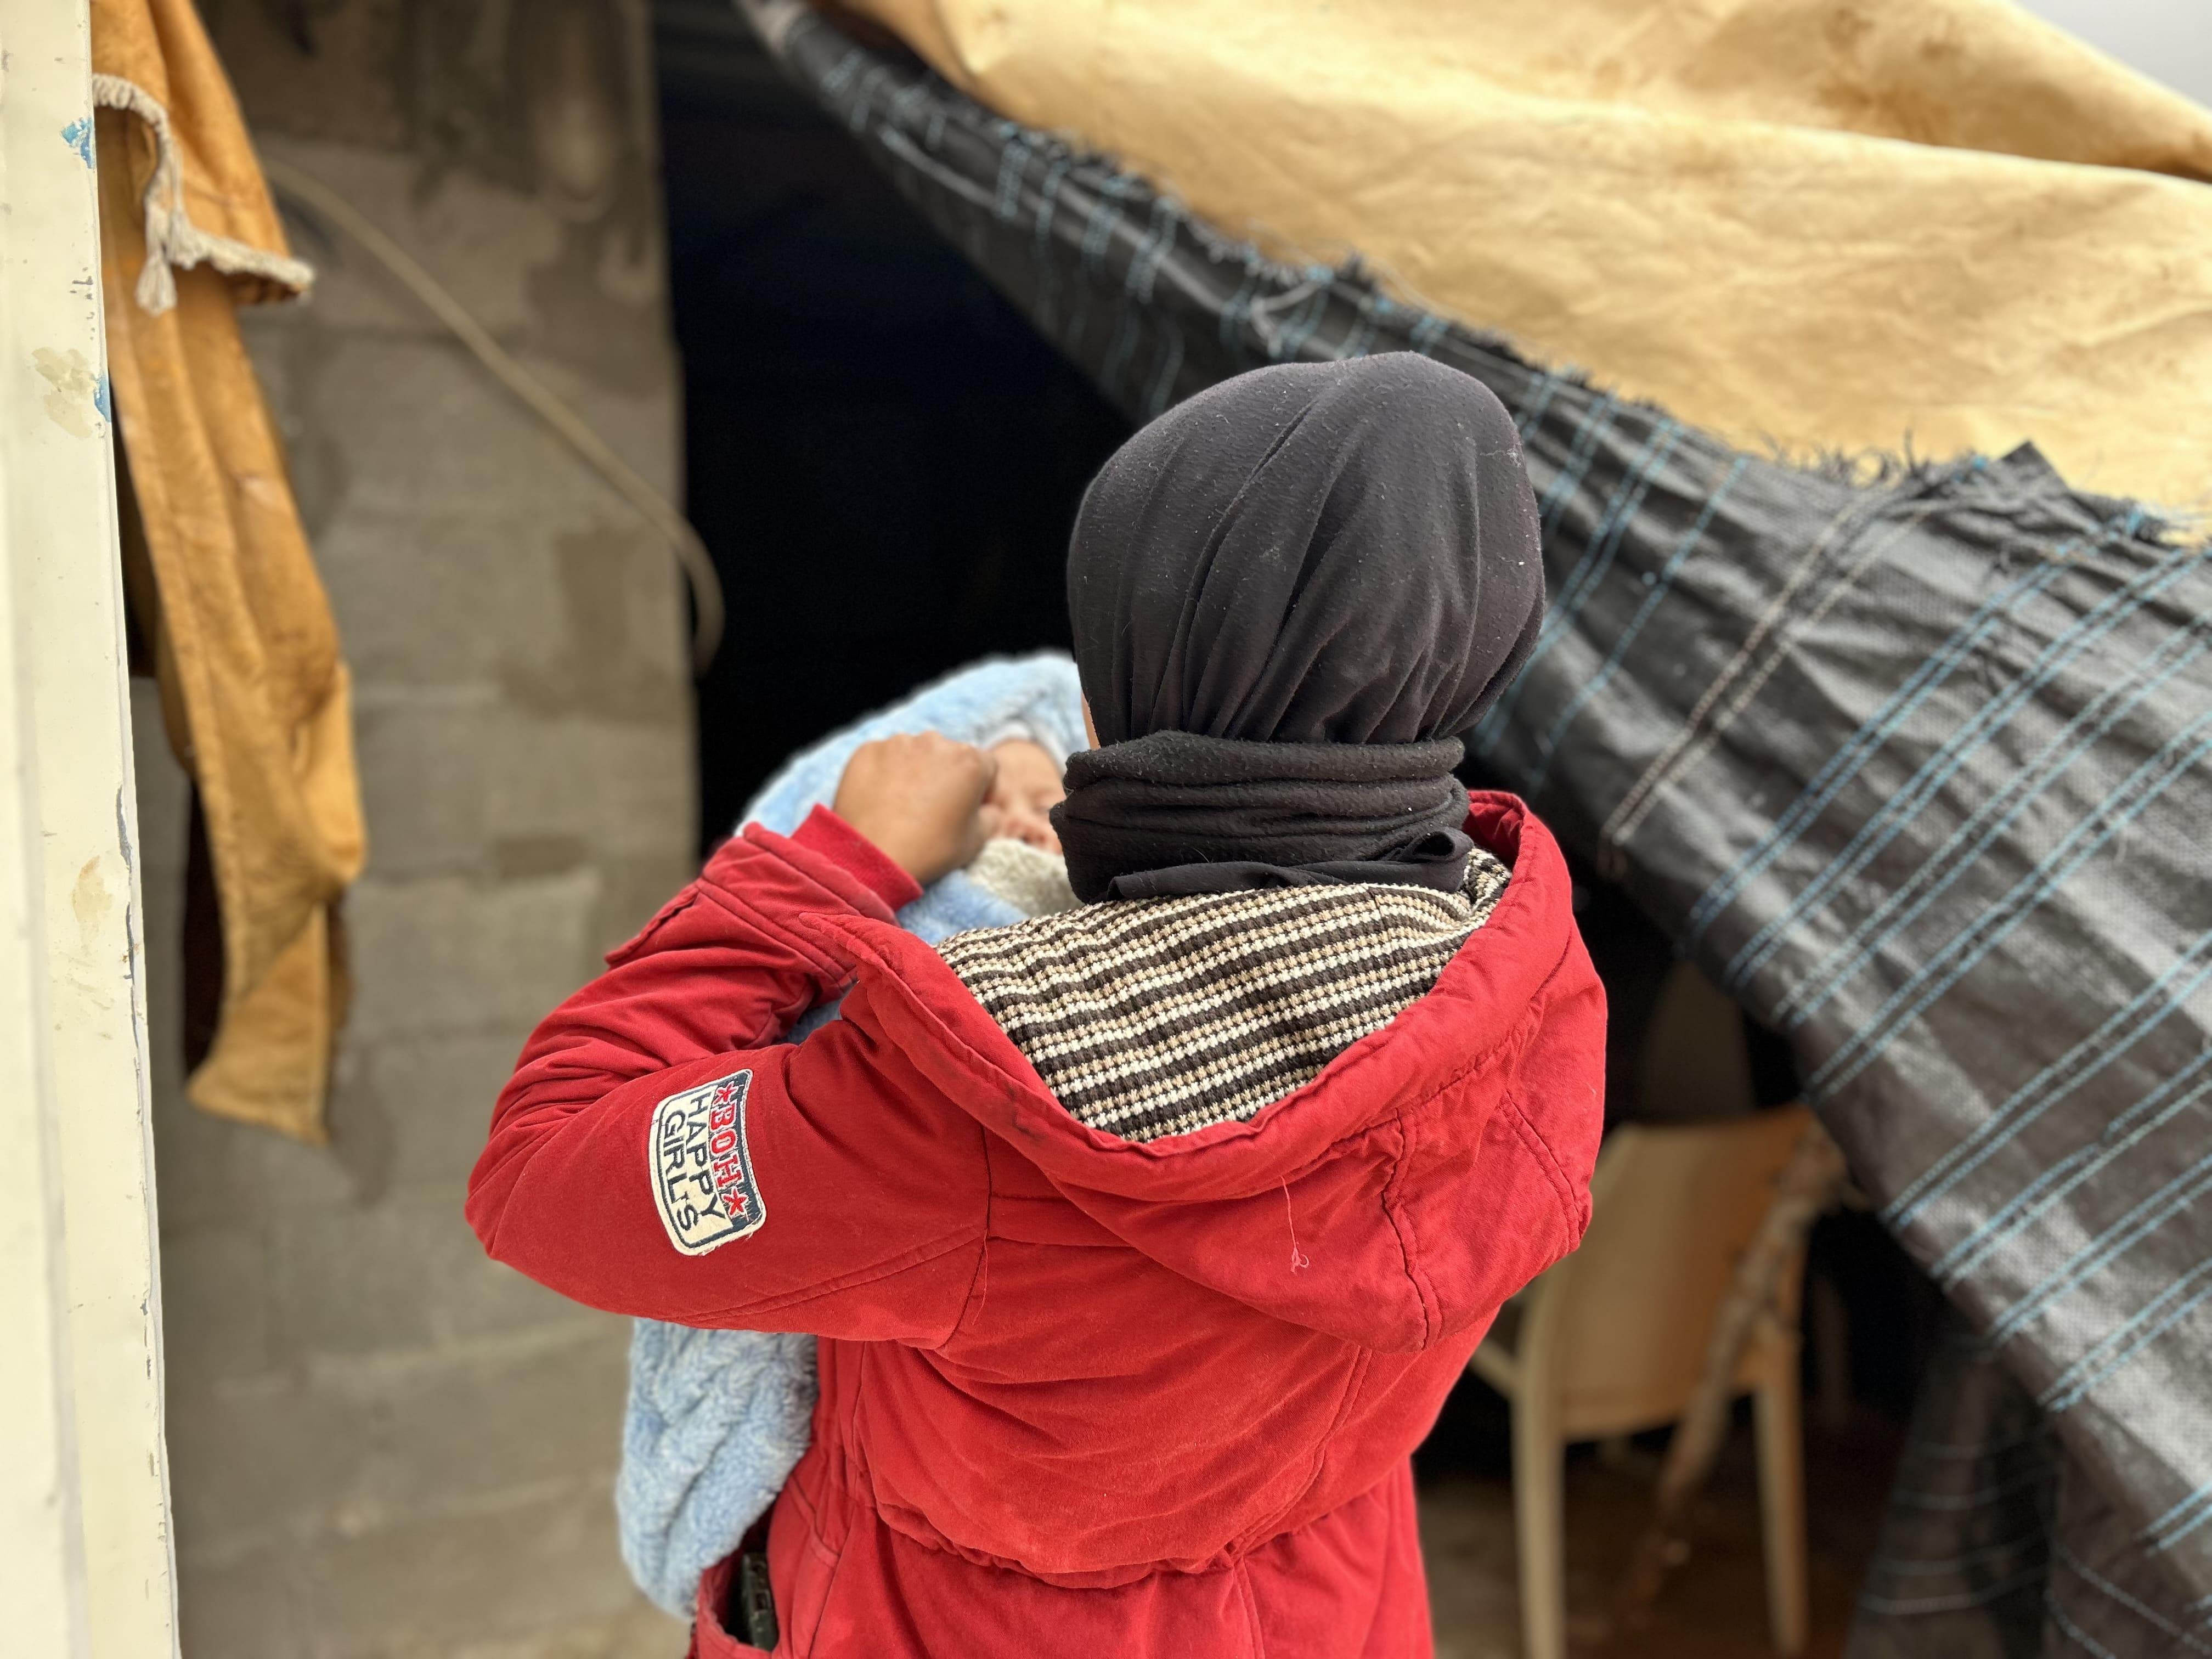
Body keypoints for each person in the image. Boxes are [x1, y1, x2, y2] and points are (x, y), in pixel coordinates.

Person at [467, 353, 1605, 1658]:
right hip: (1333, 1612)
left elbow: (542, 1172)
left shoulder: (976, 1101)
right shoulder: (1530, 987)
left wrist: (829, 866)